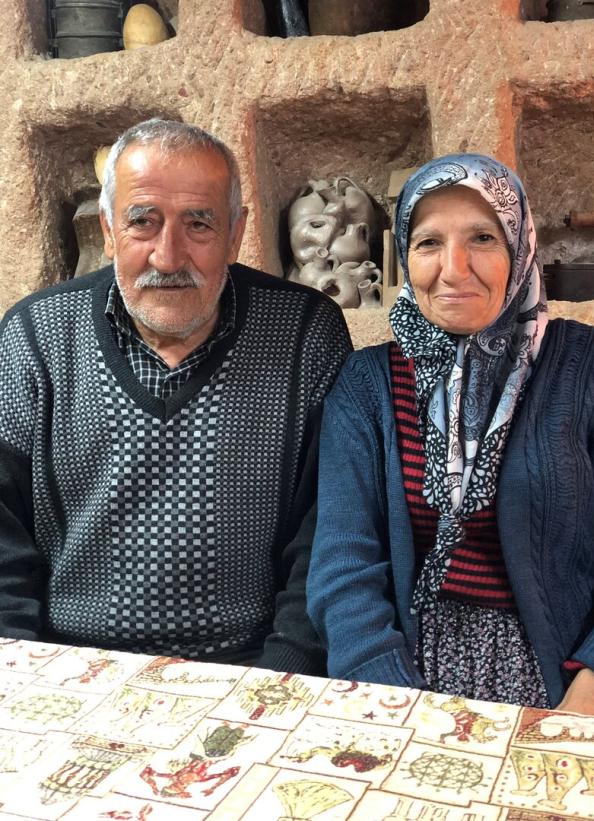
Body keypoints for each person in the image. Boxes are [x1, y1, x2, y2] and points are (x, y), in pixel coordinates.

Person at [0, 118, 352, 673]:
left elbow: (328, 529)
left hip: (250, 664)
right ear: (109, 230)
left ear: (236, 234)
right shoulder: (34, 338)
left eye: (199, 224)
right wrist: (25, 677)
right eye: (143, 222)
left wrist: (281, 676)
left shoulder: (304, 333)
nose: (168, 256)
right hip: (69, 664)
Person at [307, 153, 594, 716]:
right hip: (401, 671)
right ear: (404, 256)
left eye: (482, 238)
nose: (453, 268)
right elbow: (343, 565)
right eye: (427, 243)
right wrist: (390, 699)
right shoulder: (367, 384)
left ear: (521, 248)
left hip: (566, 674)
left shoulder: (593, 370)